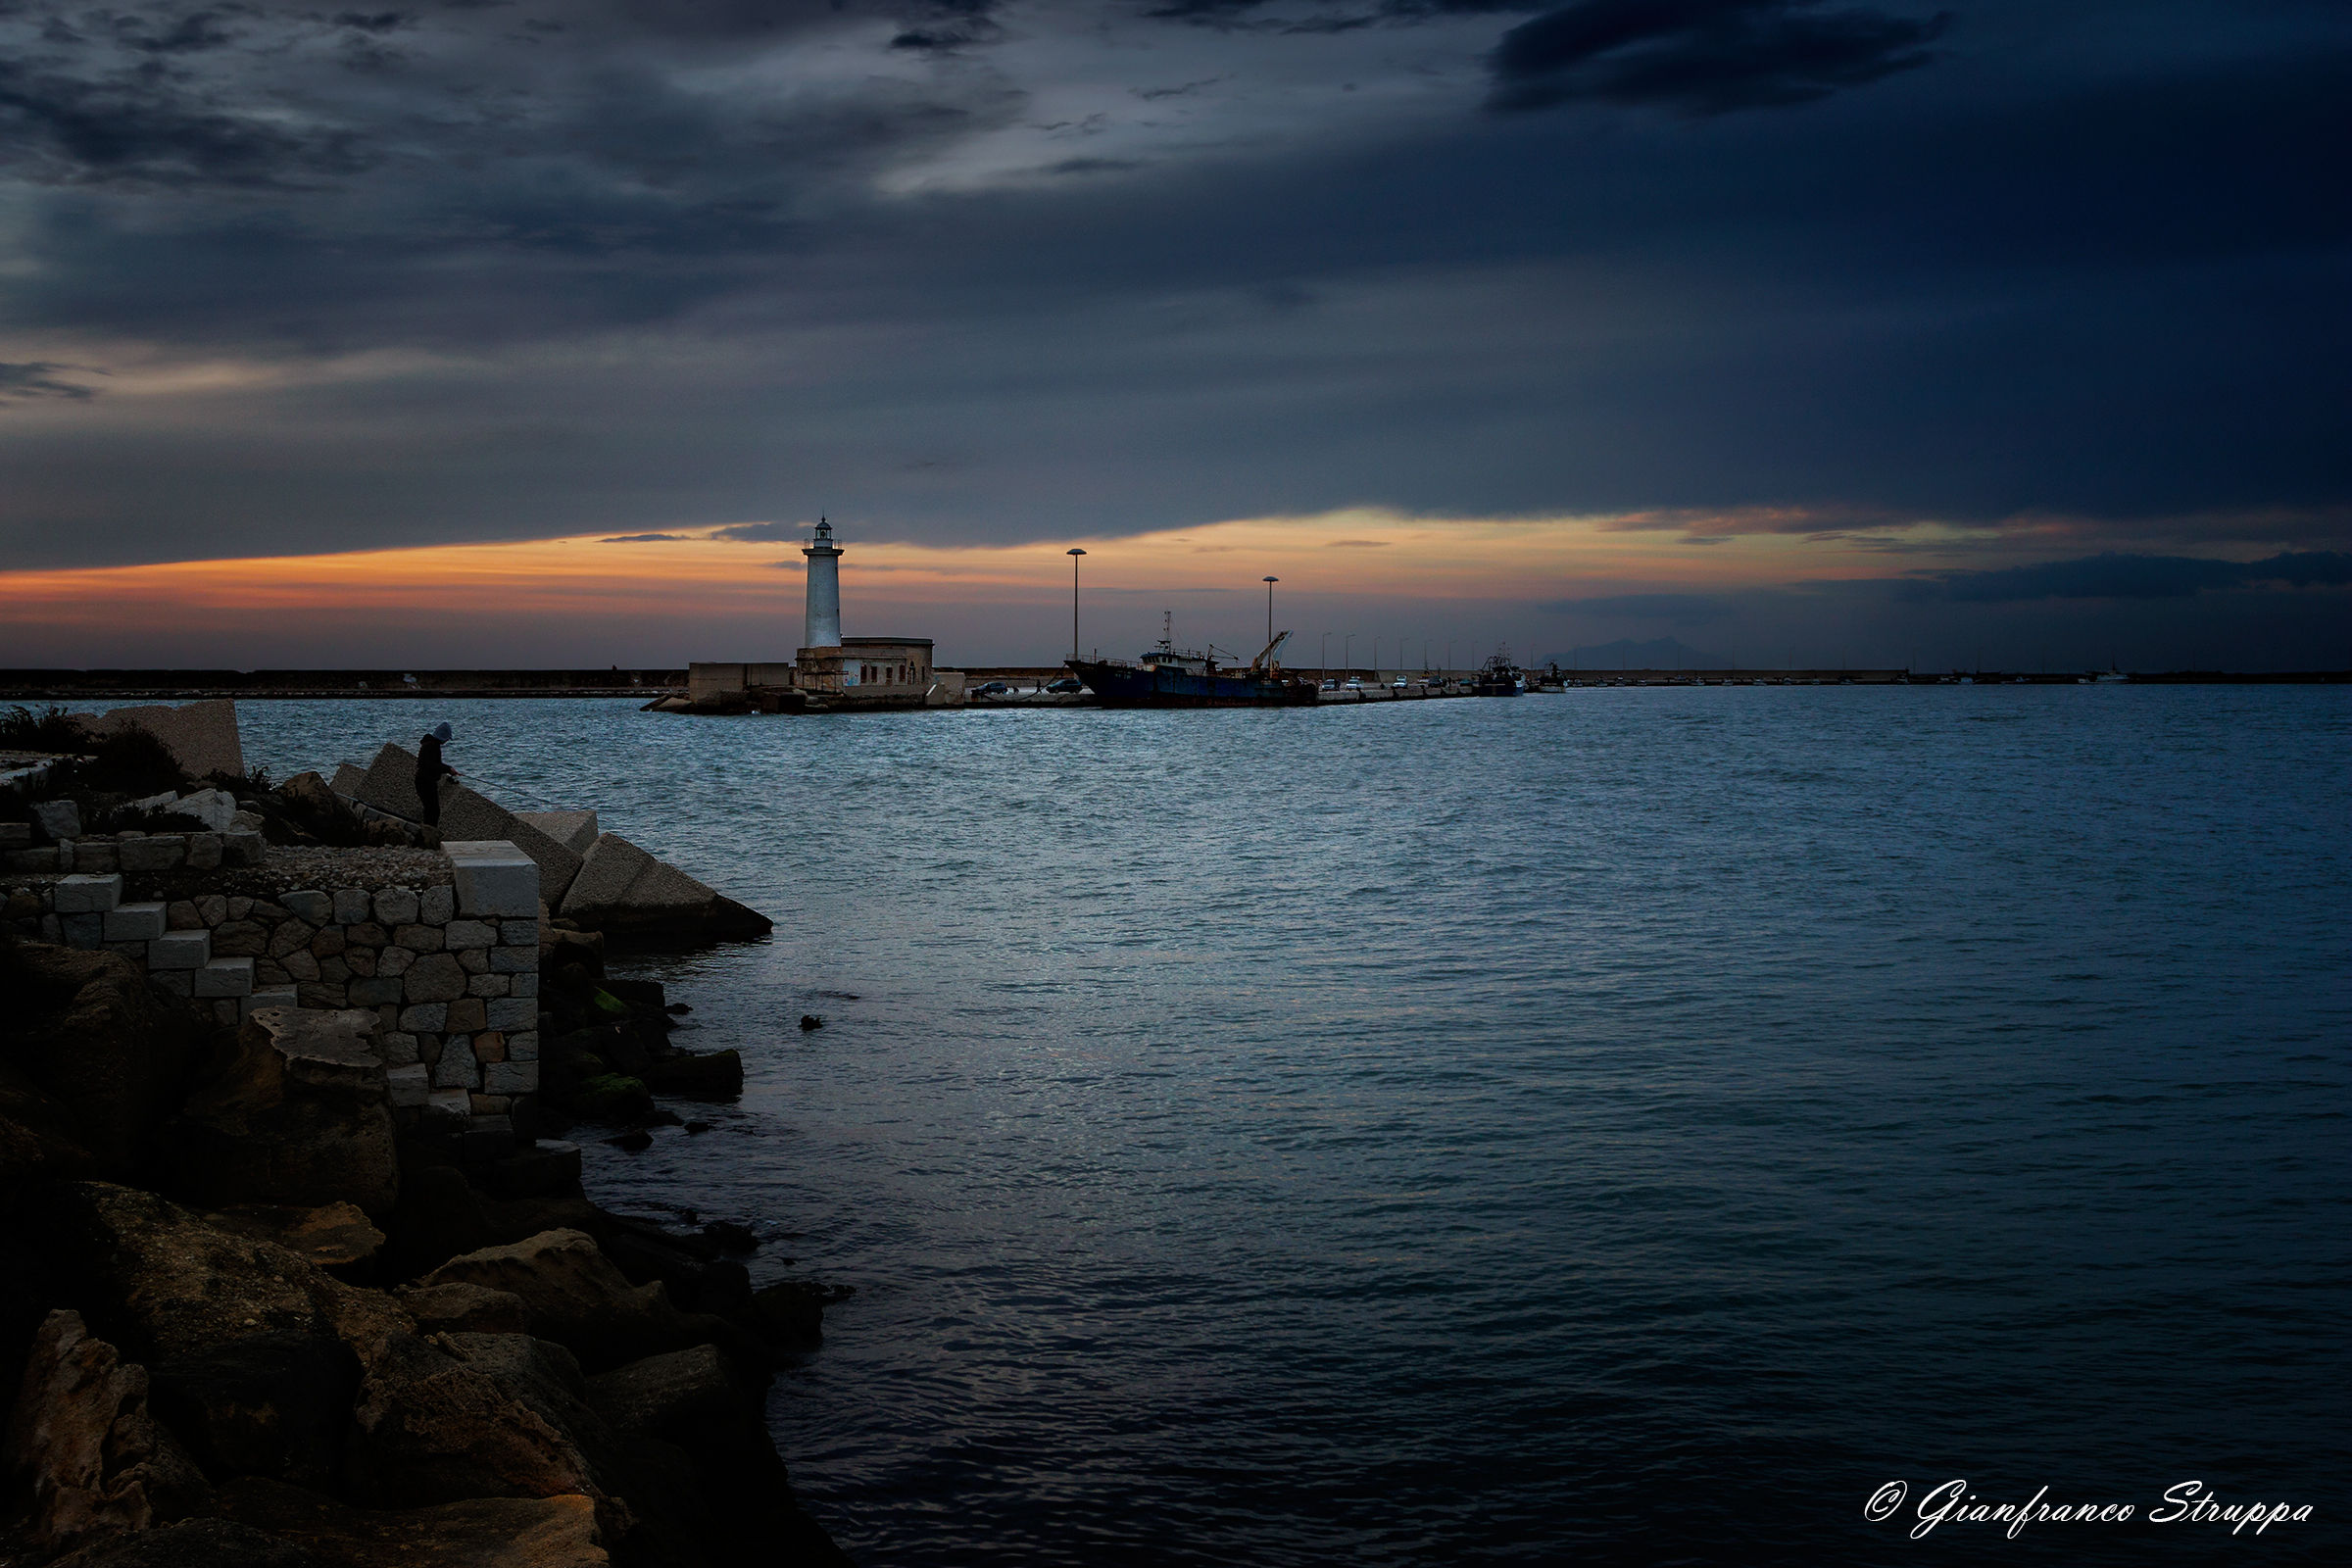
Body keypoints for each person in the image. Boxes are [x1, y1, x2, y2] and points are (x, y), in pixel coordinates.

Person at [415, 722, 457, 826]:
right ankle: (429, 833)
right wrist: (448, 769)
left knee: (431, 809)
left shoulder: (430, 744)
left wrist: (448, 769)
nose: (447, 741)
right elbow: (432, 765)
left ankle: (428, 832)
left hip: (423, 781)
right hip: (426, 782)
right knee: (433, 811)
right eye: (447, 738)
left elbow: (433, 764)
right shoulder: (432, 746)